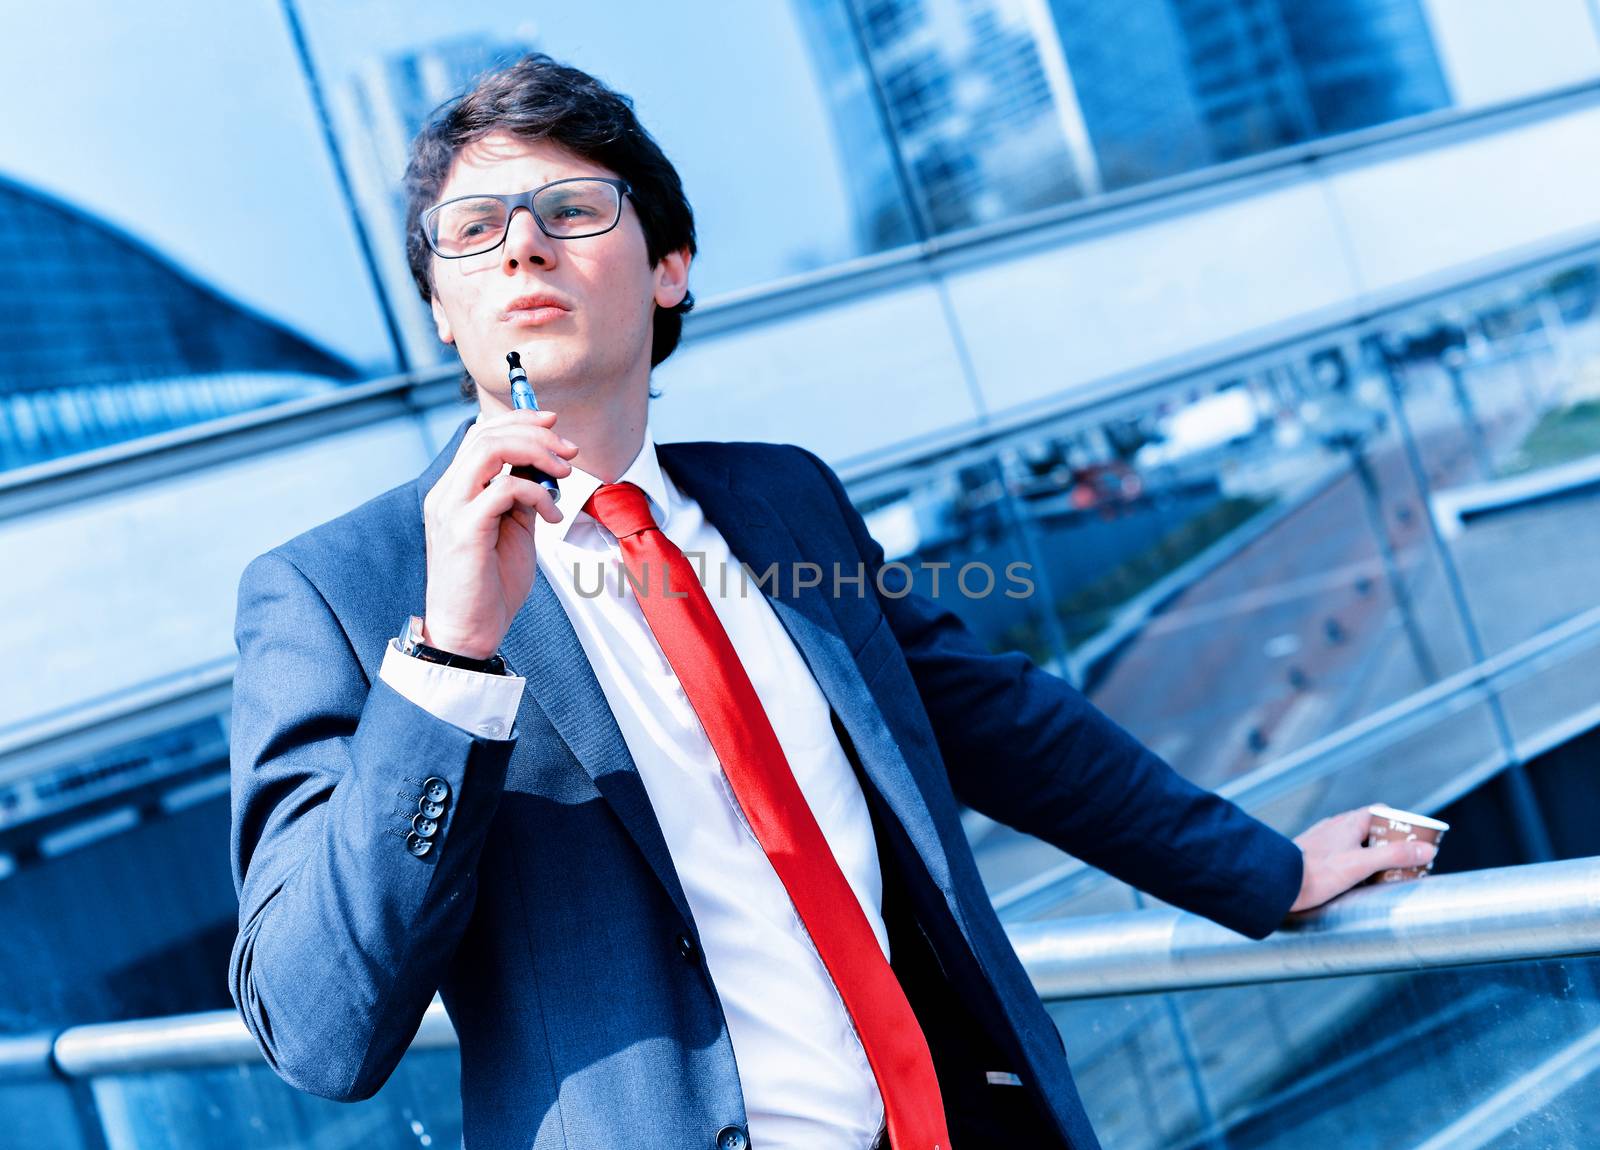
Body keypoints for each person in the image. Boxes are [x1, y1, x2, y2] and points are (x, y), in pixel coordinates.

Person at [227, 52, 1437, 1150]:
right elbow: (318, 1030)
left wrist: (1264, 870)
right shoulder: (334, 594)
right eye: (473, 228)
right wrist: (449, 663)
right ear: (441, 307)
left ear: (667, 268)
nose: (522, 247)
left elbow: (997, 721)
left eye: (572, 210)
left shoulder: (781, 501)